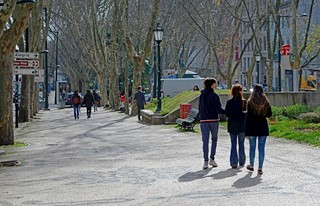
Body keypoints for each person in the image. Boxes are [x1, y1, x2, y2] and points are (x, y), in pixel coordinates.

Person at [245, 84, 272, 175]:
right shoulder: (266, 101)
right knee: (261, 148)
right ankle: (260, 167)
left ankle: (251, 165)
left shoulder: (250, 102)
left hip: (252, 127)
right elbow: (269, 114)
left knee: (252, 148)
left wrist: (246, 131)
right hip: (263, 127)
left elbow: (248, 118)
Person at [198, 78, 225, 169]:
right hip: (213, 120)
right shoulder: (214, 96)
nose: (217, 85)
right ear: (212, 84)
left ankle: (205, 161)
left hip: (204, 120)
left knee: (205, 141)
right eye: (216, 83)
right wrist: (228, 112)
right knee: (214, 139)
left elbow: (200, 108)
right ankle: (212, 159)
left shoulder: (202, 95)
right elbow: (218, 109)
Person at [225, 84, 247, 169]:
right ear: (240, 91)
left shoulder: (229, 102)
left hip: (232, 125)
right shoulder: (243, 102)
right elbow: (245, 114)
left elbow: (227, 113)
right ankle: (242, 161)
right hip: (241, 125)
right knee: (241, 143)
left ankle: (233, 162)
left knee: (233, 143)